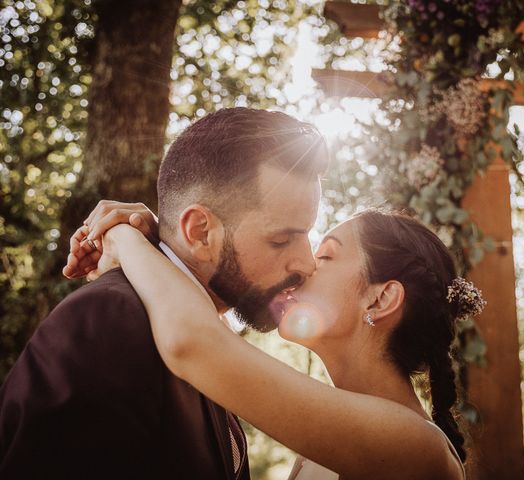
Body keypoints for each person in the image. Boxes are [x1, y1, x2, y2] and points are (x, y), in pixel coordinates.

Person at [0, 107, 328, 479]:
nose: (306, 262)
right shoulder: (109, 322)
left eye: (307, 235)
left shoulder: (213, 343)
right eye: (281, 238)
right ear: (200, 232)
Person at [64, 202, 485, 479]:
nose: (302, 266)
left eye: (326, 256)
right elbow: (192, 322)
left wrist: (124, 238)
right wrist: (166, 244)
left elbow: (194, 341)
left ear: (381, 298)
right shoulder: (325, 442)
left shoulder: (416, 448)